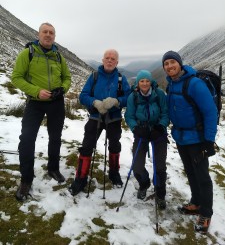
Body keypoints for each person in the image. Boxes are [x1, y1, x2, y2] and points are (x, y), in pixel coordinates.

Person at [11, 22, 71, 201]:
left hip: (56, 103)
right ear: (38, 35)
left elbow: (67, 78)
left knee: (55, 137)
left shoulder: (59, 56)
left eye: (51, 32)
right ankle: (26, 179)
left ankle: (53, 168)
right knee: (27, 139)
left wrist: (63, 89)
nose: (48, 35)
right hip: (35, 103)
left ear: (54, 36)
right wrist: (36, 91)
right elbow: (16, 77)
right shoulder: (27, 53)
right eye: (45, 32)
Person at [162, 50, 218, 234]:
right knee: (191, 172)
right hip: (181, 138)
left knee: (202, 176)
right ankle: (195, 202)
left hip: (198, 139)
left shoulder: (195, 84)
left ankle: (206, 213)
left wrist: (209, 141)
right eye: (166, 64)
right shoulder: (170, 85)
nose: (169, 66)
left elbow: (210, 112)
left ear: (179, 63)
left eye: (172, 62)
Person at [69, 49, 131, 195]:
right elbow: (83, 96)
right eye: (107, 58)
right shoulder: (94, 77)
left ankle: (114, 174)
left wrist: (116, 101)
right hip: (95, 117)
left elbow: (129, 97)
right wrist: (94, 102)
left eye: (113, 59)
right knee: (86, 146)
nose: (110, 60)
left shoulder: (122, 79)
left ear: (117, 62)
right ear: (103, 60)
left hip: (114, 119)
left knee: (115, 146)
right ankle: (80, 178)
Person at [125, 70, 169, 209]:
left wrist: (161, 127)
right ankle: (144, 184)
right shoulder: (133, 96)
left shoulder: (159, 94)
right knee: (137, 165)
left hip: (158, 132)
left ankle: (160, 194)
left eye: (147, 81)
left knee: (159, 166)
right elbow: (129, 116)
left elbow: (165, 113)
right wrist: (136, 129)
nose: (144, 83)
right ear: (138, 83)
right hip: (141, 131)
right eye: (142, 81)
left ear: (151, 82)